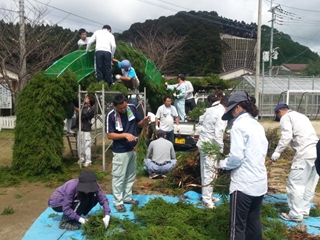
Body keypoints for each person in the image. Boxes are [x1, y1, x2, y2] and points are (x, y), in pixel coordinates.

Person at [219, 91, 268, 240]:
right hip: (259, 183)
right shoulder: (257, 125)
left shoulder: (238, 126)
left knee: (237, 226)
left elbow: (236, 157)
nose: (232, 114)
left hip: (243, 185)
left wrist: (222, 164)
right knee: (253, 221)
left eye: (233, 109)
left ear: (239, 107)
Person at [271, 103, 319, 222]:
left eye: (278, 115)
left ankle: (295, 214)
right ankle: (304, 210)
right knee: (309, 184)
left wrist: (277, 152)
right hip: (317, 152)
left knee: (295, 184)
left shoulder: (286, 117)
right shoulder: (302, 116)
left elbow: (286, 136)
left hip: (304, 153)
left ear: (280, 111)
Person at [106, 93, 150, 212]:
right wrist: (125, 135)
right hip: (120, 151)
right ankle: (118, 201)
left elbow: (138, 123)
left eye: (125, 107)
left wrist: (144, 121)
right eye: (121, 108)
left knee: (130, 175)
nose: (124, 109)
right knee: (119, 177)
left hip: (134, 148)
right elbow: (109, 135)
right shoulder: (111, 115)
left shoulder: (132, 108)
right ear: (115, 106)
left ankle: (127, 197)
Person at [196, 95, 228, 209]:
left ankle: (208, 195)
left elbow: (200, 119)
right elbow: (219, 133)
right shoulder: (222, 114)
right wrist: (220, 150)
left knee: (207, 171)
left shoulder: (211, 109)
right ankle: (207, 200)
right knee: (209, 172)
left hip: (204, 143)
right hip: (210, 146)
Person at [77, 95, 95, 167]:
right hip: (80, 129)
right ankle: (81, 159)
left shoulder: (90, 109)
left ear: (90, 101)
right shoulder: (83, 107)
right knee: (79, 145)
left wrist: (79, 110)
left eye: (87, 98)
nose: (85, 98)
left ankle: (88, 161)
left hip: (86, 129)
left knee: (86, 145)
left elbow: (86, 115)